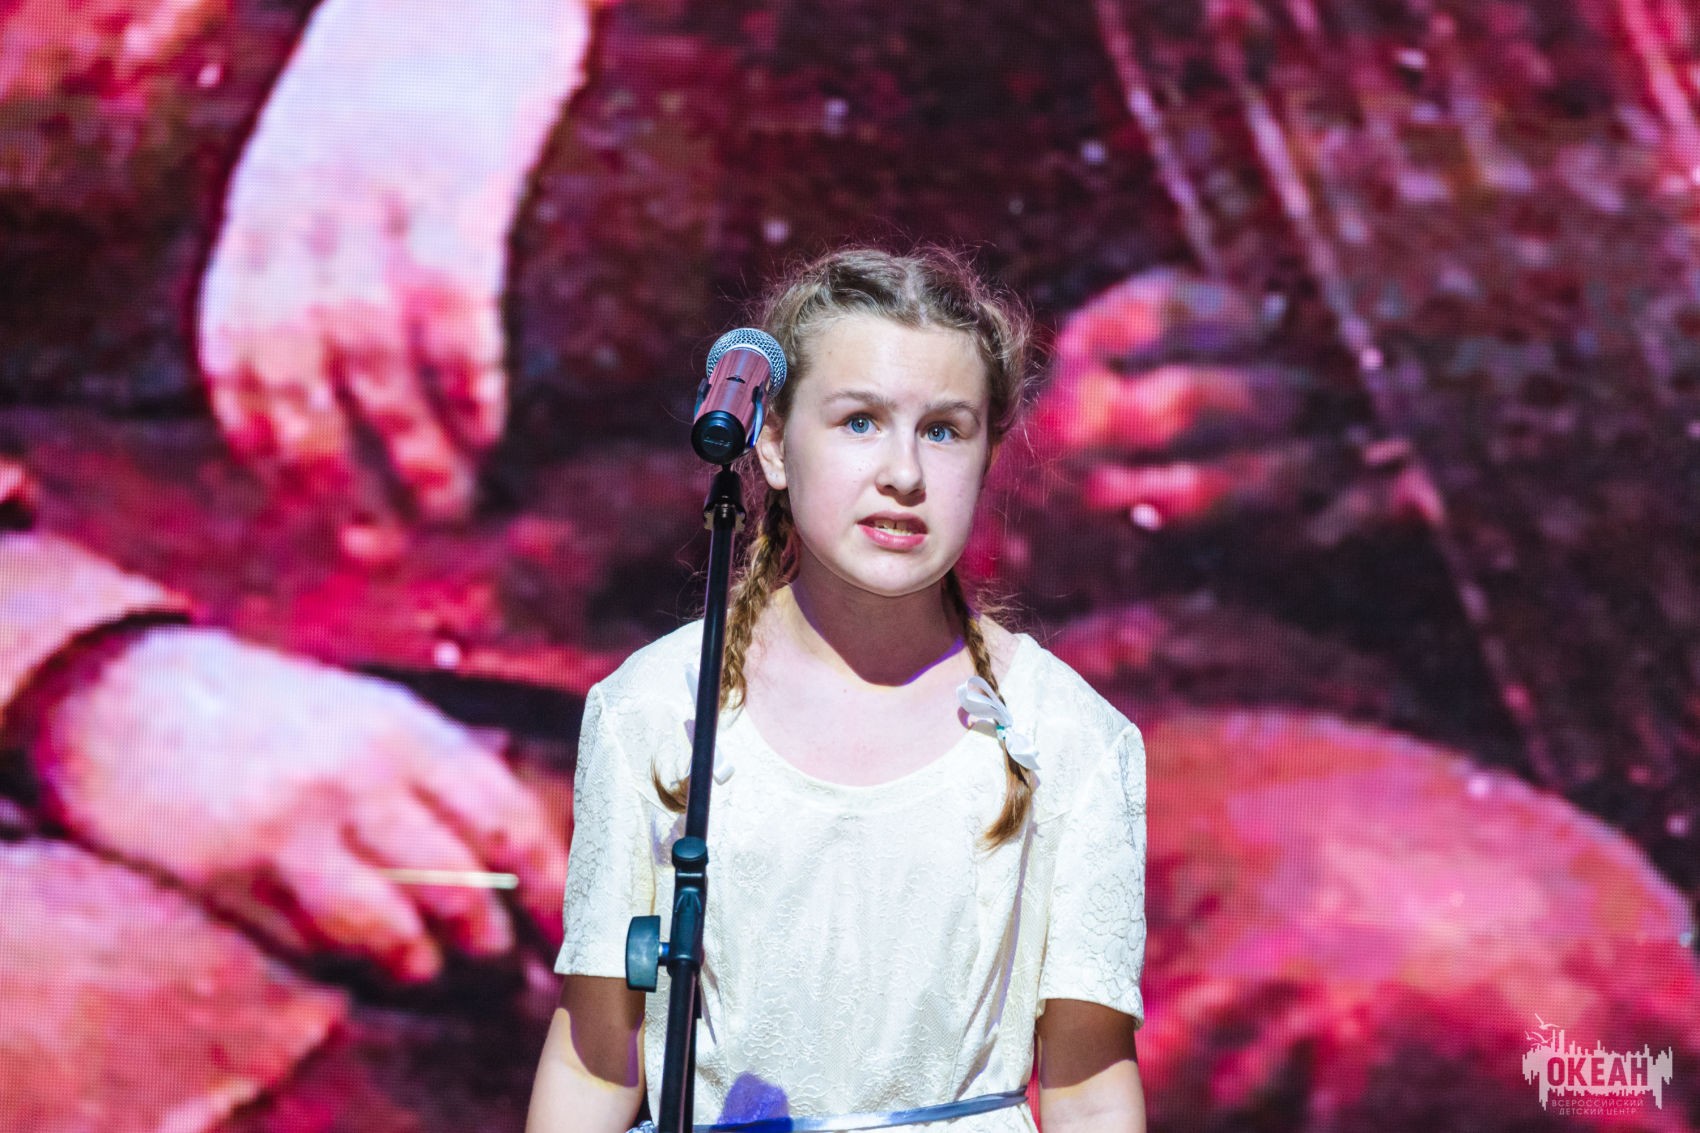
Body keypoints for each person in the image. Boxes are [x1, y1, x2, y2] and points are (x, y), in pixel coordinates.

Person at [525, 246, 1149, 1132]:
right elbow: (597, 1058)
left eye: (944, 430)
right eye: (859, 421)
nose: (904, 472)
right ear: (774, 446)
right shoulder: (658, 709)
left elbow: (1090, 1086)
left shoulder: (1069, 736)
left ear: (988, 456)